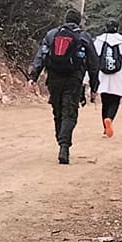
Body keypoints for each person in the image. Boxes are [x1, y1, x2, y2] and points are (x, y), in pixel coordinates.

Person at [27, 8, 98, 165]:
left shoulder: (52, 34)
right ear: (79, 21)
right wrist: (94, 87)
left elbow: (41, 55)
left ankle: (60, 140)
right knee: (70, 112)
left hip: (54, 78)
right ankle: (64, 146)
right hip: (74, 79)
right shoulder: (84, 37)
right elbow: (93, 64)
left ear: (65, 20)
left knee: (57, 110)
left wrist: (33, 76)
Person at [91, 20, 122, 138]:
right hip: (118, 76)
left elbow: (93, 60)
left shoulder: (99, 40)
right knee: (115, 101)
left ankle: (105, 129)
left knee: (105, 102)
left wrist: (89, 80)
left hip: (103, 75)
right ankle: (109, 119)